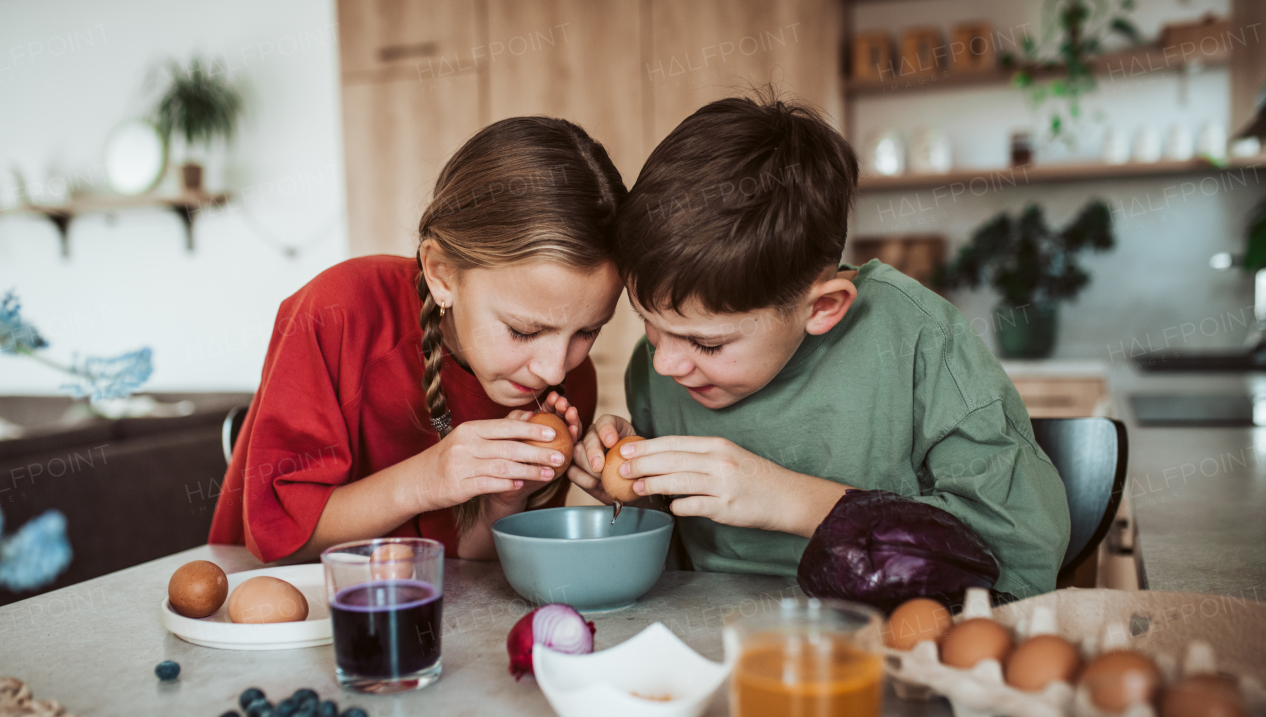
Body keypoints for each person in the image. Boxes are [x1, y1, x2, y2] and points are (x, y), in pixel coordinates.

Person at [569, 95, 1070, 599]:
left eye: (707, 343)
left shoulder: (918, 341)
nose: (665, 363)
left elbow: (1020, 555)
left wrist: (793, 501)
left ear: (822, 308)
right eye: (648, 323)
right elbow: (679, 565)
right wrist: (640, 495)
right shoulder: (658, 367)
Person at [210, 117, 627, 562]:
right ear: (441, 274)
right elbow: (279, 546)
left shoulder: (568, 382)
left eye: (588, 331)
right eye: (523, 330)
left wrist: (504, 502)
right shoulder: (337, 312)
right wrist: (428, 478)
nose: (555, 368)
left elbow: (474, 575)